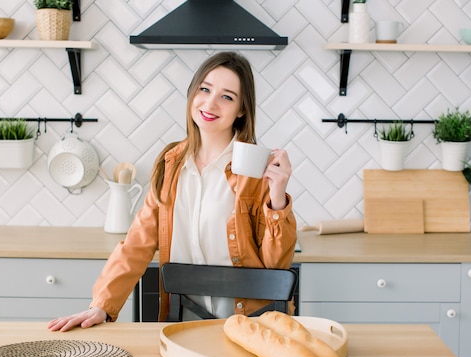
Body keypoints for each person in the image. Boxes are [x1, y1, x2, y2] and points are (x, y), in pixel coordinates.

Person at [48, 51, 297, 332]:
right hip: (184, 324)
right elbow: (136, 245)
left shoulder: (256, 168)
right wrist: (101, 306)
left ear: (241, 108)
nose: (210, 103)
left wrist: (277, 197)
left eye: (227, 96)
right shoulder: (171, 163)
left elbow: (277, 266)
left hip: (250, 325)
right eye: (204, 89)